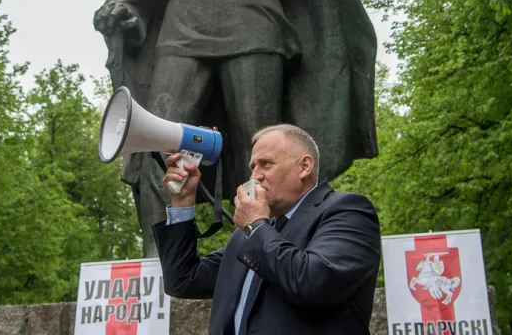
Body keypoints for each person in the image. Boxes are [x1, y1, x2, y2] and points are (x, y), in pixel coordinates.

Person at [93, 0, 379, 257]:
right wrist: (124, 9)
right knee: (158, 140)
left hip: (253, 11)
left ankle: (274, 244)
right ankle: (162, 255)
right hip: (183, 16)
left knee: (260, 141)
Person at [153, 124, 381, 335]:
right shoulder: (249, 235)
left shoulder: (348, 211)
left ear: (304, 166)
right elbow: (183, 280)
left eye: (266, 164)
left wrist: (255, 226)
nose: (255, 176)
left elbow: (311, 283)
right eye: (253, 166)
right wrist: (182, 203)